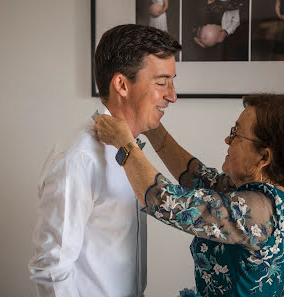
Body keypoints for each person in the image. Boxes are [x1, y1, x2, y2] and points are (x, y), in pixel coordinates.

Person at [94, 94, 284, 296]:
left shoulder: (257, 212)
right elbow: (197, 176)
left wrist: (124, 144)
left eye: (236, 133)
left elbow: (165, 201)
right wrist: (151, 127)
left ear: (263, 158)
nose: (227, 139)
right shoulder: (272, 195)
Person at [28, 24, 181, 297]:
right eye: (161, 83)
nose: (172, 95)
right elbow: (51, 268)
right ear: (121, 85)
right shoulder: (79, 158)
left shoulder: (132, 148)